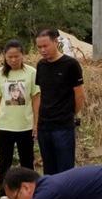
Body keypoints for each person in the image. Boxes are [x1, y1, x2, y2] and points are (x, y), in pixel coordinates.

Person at [0, 39, 40, 199]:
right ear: (5, 56)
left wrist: (36, 122)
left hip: (25, 125)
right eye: (9, 57)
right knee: (5, 162)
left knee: (27, 163)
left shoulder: (31, 73)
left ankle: (30, 197)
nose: (13, 60)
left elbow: (35, 98)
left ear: (22, 55)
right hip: (5, 126)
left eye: (16, 56)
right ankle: (4, 195)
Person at [34, 29, 85, 175]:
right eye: (39, 47)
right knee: (49, 169)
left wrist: (70, 114)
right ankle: (52, 197)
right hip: (44, 126)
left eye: (46, 46)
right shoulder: (41, 66)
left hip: (63, 126)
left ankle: (67, 198)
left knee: (65, 170)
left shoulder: (71, 64)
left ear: (56, 42)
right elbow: (42, 94)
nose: (43, 50)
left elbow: (80, 96)